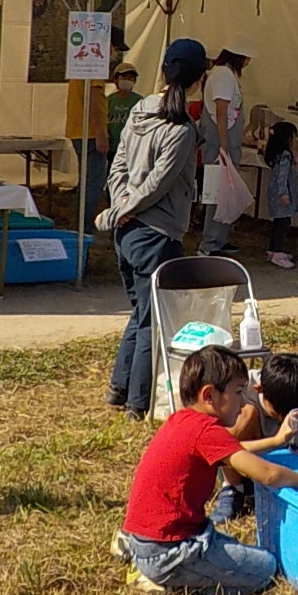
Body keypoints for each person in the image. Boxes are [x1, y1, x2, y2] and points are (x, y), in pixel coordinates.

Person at [114, 346, 298, 595]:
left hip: (152, 538)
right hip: (168, 550)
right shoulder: (206, 431)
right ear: (209, 395)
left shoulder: (184, 421)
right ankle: (160, 577)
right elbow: (269, 474)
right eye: (238, 392)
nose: (243, 400)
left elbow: (235, 449)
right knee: (266, 568)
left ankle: (146, 560)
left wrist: (277, 441)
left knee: (242, 552)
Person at [99, 38, 208, 418]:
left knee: (140, 313)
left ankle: (118, 389)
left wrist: (119, 209)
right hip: (155, 233)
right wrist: (122, 210)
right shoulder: (181, 127)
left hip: (129, 230)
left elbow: (119, 168)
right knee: (153, 322)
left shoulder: (140, 111)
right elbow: (157, 184)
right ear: (199, 80)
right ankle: (137, 403)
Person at [212, 351, 298, 523]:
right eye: (278, 413)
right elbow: (220, 440)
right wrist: (277, 439)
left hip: (292, 457)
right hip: (248, 460)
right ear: (259, 389)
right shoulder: (242, 391)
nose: (285, 420)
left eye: (292, 413)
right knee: (246, 415)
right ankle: (234, 488)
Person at [198, 38, 255, 256]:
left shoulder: (226, 74)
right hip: (221, 140)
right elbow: (221, 111)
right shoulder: (222, 74)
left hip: (227, 139)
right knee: (217, 193)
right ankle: (210, 242)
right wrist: (224, 145)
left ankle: (219, 238)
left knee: (226, 192)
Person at [65, 74, 110, 236]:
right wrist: (100, 134)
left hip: (79, 131)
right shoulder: (94, 69)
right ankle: (84, 228)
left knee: (85, 183)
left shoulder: (81, 69)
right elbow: (93, 103)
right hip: (89, 134)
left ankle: (79, 225)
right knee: (93, 184)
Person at [263, 120, 298, 270]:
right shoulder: (284, 156)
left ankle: (273, 250)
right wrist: (283, 193)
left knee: (278, 223)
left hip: (276, 194)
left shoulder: (277, 155)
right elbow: (282, 176)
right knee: (283, 224)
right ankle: (278, 252)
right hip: (282, 195)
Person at [105, 60, 143, 161]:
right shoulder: (109, 100)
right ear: (116, 79)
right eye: (124, 77)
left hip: (132, 149)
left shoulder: (139, 101)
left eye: (131, 77)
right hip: (112, 149)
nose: (127, 80)